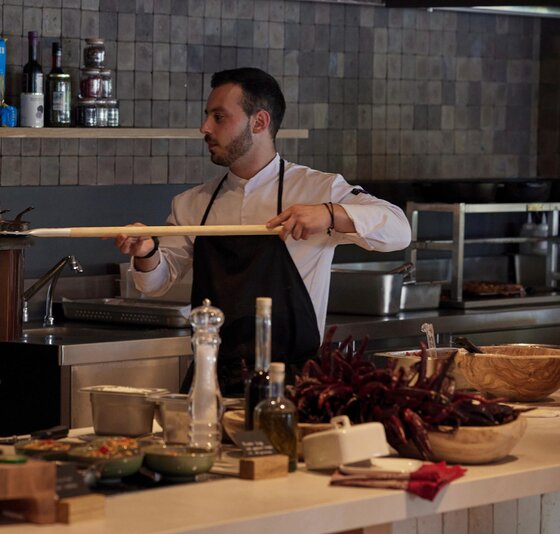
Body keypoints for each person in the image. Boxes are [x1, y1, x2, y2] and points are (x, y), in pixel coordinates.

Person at [115, 67, 411, 395]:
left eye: (218, 117)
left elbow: (398, 229)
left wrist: (330, 214)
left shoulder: (318, 189)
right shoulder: (192, 204)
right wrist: (146, 252)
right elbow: (154, 284)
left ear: (259, 122)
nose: (205, 128)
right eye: (207, 116)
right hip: (212, 380)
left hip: (294, 385)